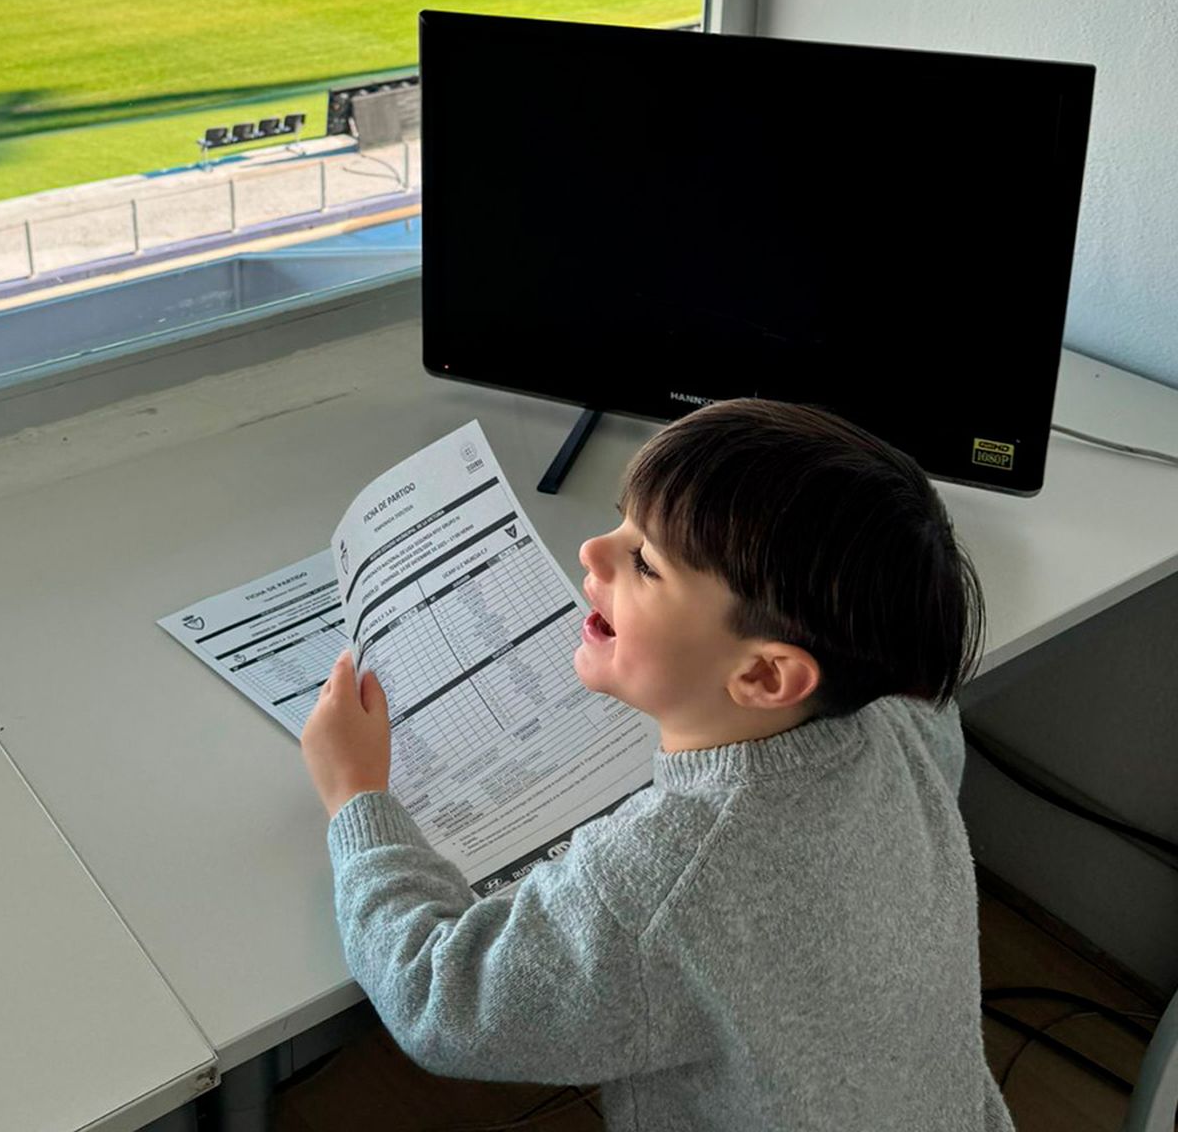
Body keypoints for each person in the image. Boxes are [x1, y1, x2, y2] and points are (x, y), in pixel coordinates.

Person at [301, 398, 1011, 1131]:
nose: (592, 552)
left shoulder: (662, 879)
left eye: (644, 562)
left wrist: (356, 800)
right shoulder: (899, 719)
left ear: (767, 678)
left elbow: (441, 1004)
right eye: (623, 519)